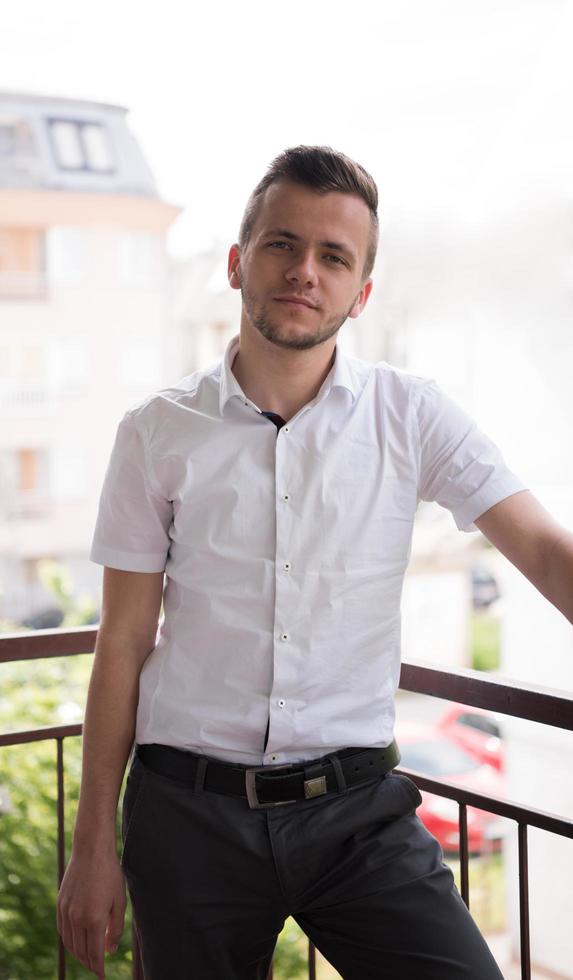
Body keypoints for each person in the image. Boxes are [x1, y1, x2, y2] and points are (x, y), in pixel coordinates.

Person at [57, 145, 573, 980]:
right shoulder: (156, 432)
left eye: (333, 257)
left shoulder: (411, 417)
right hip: (187, 821)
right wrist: (92, 849)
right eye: (280, 244)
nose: (304, 270)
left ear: (360, 291)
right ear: (237, 262)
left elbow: (547, 549)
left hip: (357, 819)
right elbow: (121, 642)